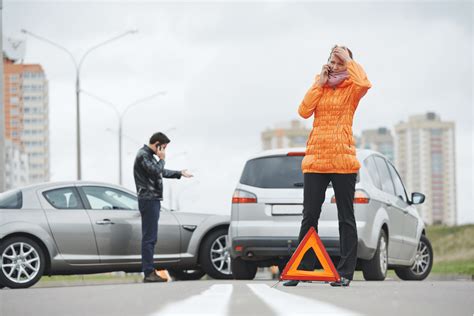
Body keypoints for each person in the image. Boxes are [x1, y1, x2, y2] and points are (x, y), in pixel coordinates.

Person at [283, 45, 371, 287]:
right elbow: (303, 112)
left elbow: (365, 84)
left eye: (339, 61)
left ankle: (345, 272)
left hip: (343, 161)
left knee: (346, 217)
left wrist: (349, 62)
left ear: (348, 64)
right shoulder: (320, 84)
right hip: (316, 160)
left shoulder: (352, 87)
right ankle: (303, 269)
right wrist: (319, 84)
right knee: (309, 215)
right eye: (332, 60)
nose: (334, 65)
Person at [133, 132, 193, 282]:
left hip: (152, 199)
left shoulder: (148, 156)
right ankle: (148, 273)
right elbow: (156, 171)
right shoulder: (143, 155)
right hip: (148, 199)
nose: (164, 151)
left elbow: (160, 172)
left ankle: (149, 271)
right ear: (157, 144)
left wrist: (179, 173)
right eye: (163, 147)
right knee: (149, 238)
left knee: (151, 237)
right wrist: (162, 159)